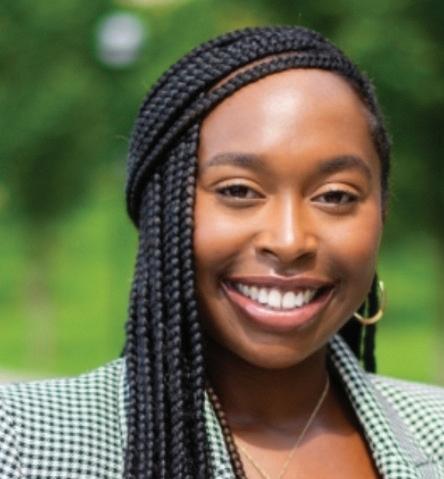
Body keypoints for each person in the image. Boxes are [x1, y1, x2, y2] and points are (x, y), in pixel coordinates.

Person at [0, 25, 443, 479]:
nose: (290, 241)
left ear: (382, 212)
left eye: (335, 196)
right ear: (162, 212)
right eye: (238, 190)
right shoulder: (22, 444)